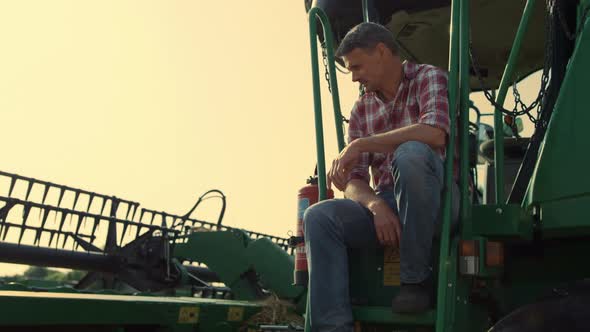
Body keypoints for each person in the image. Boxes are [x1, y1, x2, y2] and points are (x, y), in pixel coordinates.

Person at [303, 22, 460, 331]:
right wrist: (376, 206)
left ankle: (415, 281)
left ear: (382, 52)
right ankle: (334, 327)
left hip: (438, 198)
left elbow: (435, 133)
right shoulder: (361, 109)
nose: (354, 76)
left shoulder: (429, 77)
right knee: (318, 216)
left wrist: (361, 144)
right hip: (387, 200)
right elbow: (354, 181)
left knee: (411, 153)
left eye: (357, 66)